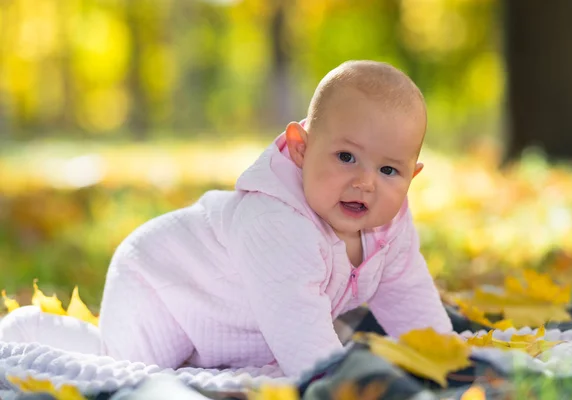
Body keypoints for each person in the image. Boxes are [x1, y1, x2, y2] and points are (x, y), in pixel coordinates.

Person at [0, 60, 451, 378]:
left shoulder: (391, 226)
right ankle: (27, 329)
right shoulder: (277, 222)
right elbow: (306, 343)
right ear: (300, 147)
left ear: (413, 175)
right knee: (131, 365)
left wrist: (448, 358)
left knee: (183, 365)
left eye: (388, 169)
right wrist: (343, 385)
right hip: (161, 283)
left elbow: (408, 293)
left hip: (223, 323)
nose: (365, 182)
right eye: (346, 156)